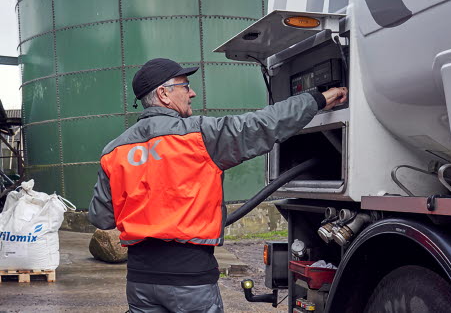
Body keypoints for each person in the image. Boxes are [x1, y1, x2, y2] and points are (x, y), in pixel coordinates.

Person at [88, 58, 347, 312]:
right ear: (164, 94)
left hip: (140, 282)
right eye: (185, 85)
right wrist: (317, 99)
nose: (192, 93)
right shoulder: (200, 136)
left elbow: (101, 218)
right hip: (190, 281)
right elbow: (263, 124)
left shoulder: (114, 151)